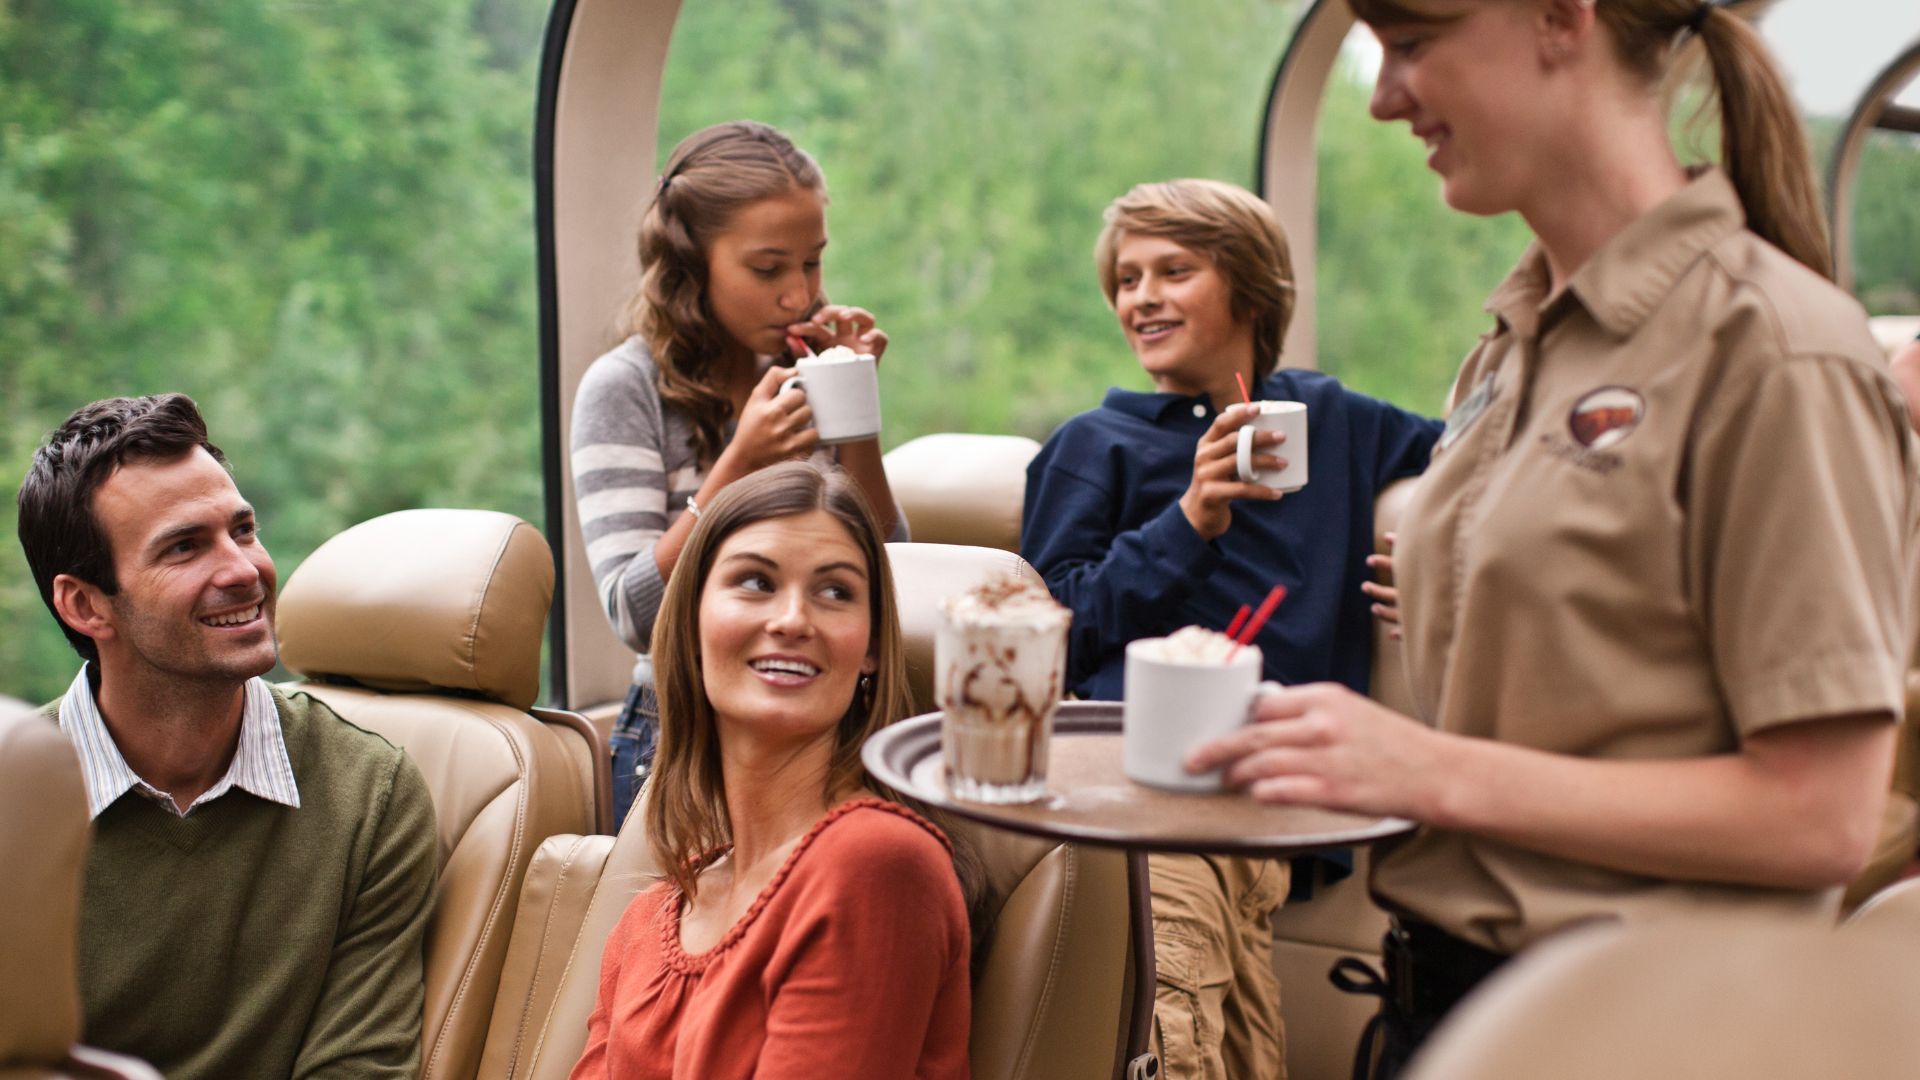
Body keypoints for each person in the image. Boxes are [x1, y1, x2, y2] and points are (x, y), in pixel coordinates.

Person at [1185, 3, 1917, 1076]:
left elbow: (1820, 819)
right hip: (1450, 1009)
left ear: (1560, 20)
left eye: (1414, 42)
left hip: (1649, 1036)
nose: (1385, 95)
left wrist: (1425, 770)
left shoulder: (1779, 353)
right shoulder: (1509, 352)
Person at [1021, 178, 1442, 1080]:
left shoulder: (1332, 420)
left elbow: (1492, 460)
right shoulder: (1096, 446)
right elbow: (1050, 626)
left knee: (1250, 1059)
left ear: (1251, 291)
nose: (1142, 296)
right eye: (1127, 279)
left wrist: (1458, 568)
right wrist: (1189, 523)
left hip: (1278, 818)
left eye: (1175, 270)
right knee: (1167, 1041)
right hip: (1147, 805)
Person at [16, 394, 439, 1079]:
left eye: (242, 530)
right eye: (185, 546)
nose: (244, 570)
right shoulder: (14, 804)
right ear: (85, 604)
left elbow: (356, 1070)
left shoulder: (372, 791)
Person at [571, 460, 971, 1080]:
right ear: (694, 624)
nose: (791, 619)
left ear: (869, 648)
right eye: (755, 582)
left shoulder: (877, 863)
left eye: (835, 591)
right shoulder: (645, 921)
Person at [572, 120, 907, 829]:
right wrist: (739, 466)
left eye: (812, 264)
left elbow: (886, 561)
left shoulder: (800, 378)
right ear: (692, 266)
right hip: (680, 733)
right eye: (768, 269)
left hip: (822, 728)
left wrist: (856, 413)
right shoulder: (624, 390)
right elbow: (634, 615)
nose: (799, 295)